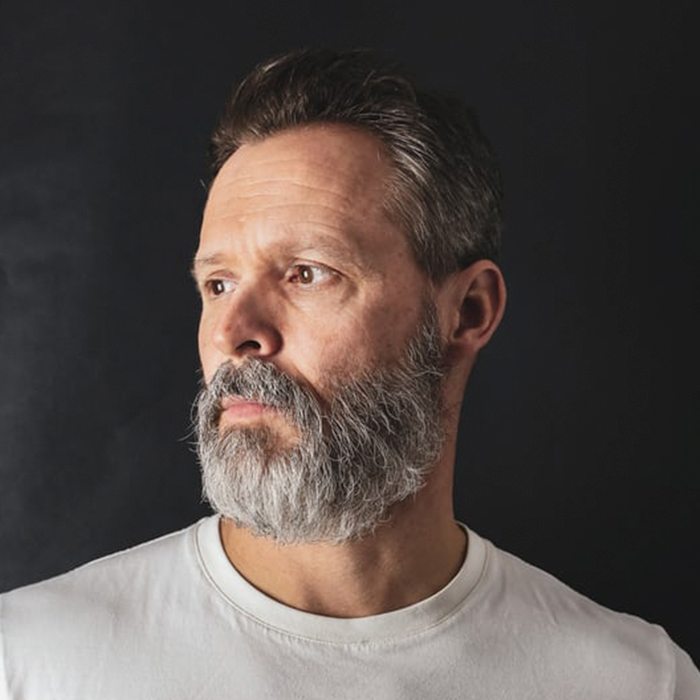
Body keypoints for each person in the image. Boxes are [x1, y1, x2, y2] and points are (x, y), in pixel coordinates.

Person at [0, 48, 697, 699]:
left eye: (308, 273)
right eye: (218, 284)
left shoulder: (636, 682)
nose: (234, 333)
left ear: (468, 311)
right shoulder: (32, 664)